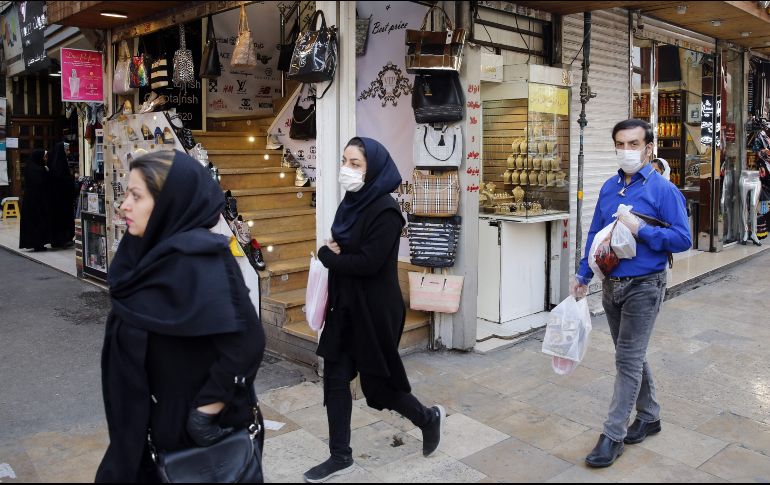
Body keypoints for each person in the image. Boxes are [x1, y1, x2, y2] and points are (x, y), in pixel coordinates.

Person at [96, 151, 265, 482]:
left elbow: (248, 343)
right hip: (141, 430)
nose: (123, 206)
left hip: (191, 441)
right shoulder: (139, 256)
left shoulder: (207, 263)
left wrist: (206, 410)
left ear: (168, 204)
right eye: (125, 194)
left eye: (136, 196)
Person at [303, 138, 445, 483]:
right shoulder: (351, 202)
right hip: (345, 305)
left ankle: (428, 419)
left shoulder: (386, 211)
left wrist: (328, 256)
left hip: (375, 311)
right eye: (344, 161)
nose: (346, 169)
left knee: (378, 388)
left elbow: (367, 263)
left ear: (373, 170)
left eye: (355, 164)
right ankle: (340, 456)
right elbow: (347, 251)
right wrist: (336, 256)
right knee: (336, 379)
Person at [571, 119, 691, 468]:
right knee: (631, 354)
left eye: (634, 144)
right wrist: (582, 274)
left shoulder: (663, 191)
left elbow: (683, 238)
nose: (627, 151)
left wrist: (642, 230)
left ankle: (613, 435)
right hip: (611, 284)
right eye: (621, 144)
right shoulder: (610, 187)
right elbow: (595, 232)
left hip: (645, 285)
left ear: (649, 147)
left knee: (626, 359)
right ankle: (650, 415)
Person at [18, 149, 51, 251]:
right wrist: (46, 172)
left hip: (29, 200)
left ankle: (34, 243)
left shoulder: (29, 167)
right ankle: (38, 244)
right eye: (44, 157)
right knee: (38, 222)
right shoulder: (39, 170)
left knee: (32, 223)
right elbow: (42, 184)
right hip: (37, 201)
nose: (46, 159)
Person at [46, 142, 76, 248]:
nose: (68, 152)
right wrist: (72, 178)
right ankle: (63, 239)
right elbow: (62, 180)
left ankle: (57, 240)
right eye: (67, 150)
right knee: (62, 219)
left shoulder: (53, 162)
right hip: (61, 199)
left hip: (55, 198)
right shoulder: (60, 164)